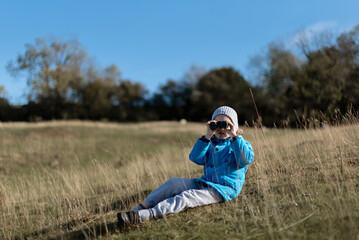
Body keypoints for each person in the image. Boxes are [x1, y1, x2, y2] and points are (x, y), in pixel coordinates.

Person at [117, 106, 254, 226]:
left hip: (224, 189)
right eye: (217, 124)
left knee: (187, 196)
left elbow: (245, 159)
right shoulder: (210, 144)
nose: (221, 128)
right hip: (205, 183)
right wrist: (207, 136)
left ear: (234, 126)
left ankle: (147, 215)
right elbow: (195, 158)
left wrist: (234, 135)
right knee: (173, 183)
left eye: (226, 124)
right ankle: (137, 209)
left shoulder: (240, 145)